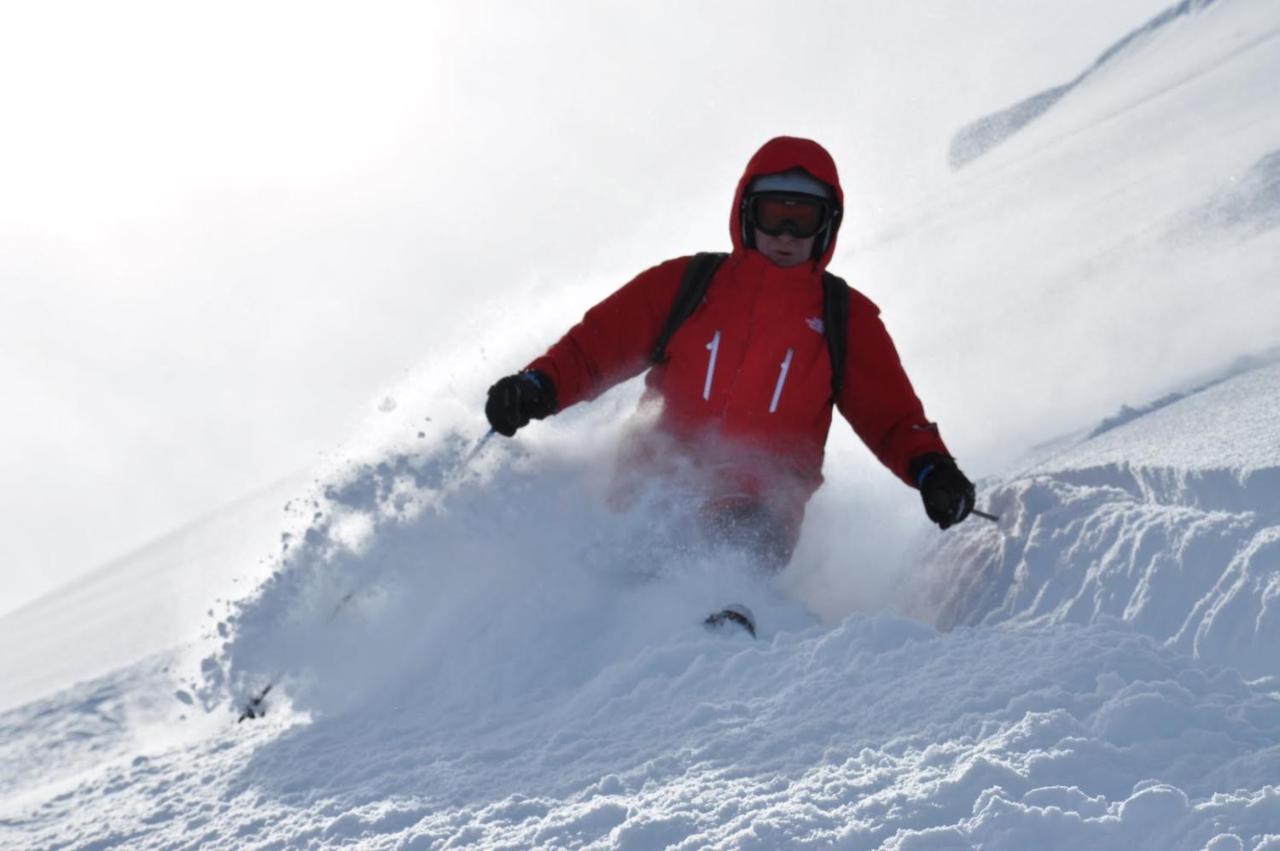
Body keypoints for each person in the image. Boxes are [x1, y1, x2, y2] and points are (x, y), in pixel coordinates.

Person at [485, 136, 975, 570]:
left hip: (758, 509)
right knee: (627, 565)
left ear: (827, 228)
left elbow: (892, 418)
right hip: (652, 489)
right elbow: (594, 351)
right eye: (773, 213)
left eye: (803, 219)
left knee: (729, 552)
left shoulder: (843, 318)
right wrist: (536, 388)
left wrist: (934, 470)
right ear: (746, 212)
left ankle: (728, 632)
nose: (786, 233)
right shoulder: (686, 284)